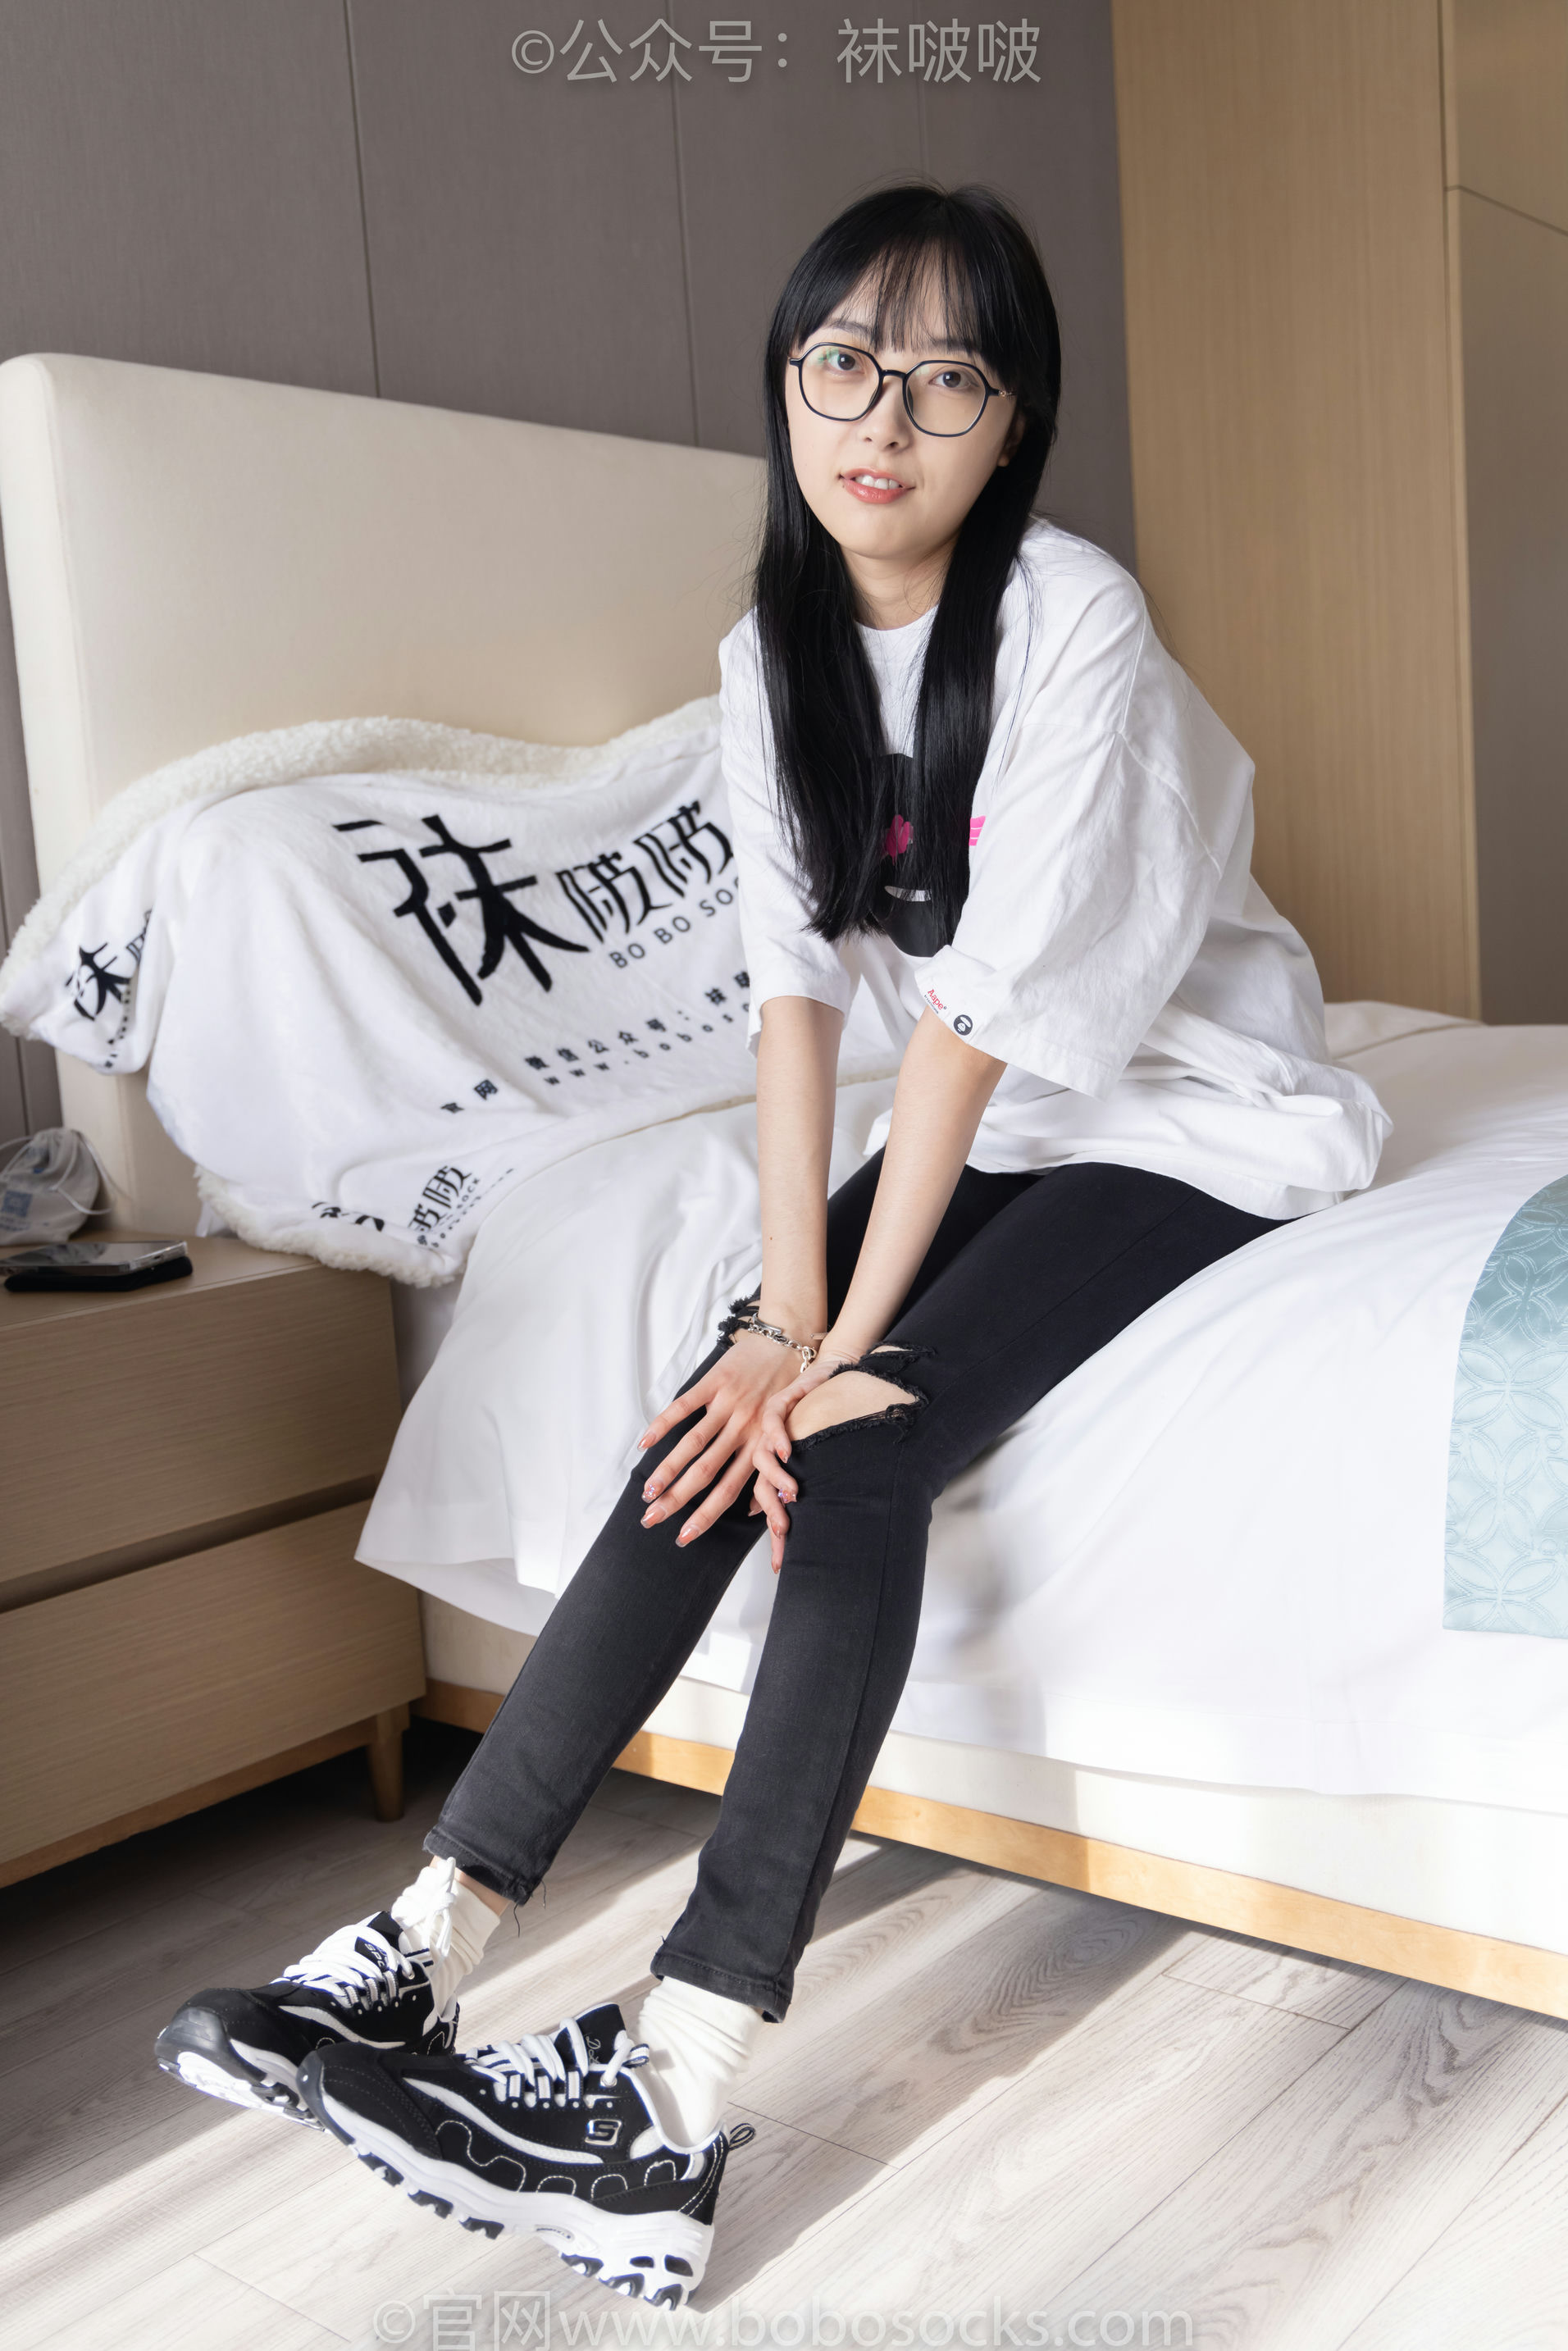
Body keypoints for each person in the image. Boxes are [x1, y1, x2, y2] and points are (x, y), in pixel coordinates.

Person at [153, 182, 1387, 2308]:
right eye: (842, 362)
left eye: (948, 377)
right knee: (718, 1408)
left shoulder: (1072, 620)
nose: (882, 417)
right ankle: (425, 1942)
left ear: (1017, 425)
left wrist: (832, 1341)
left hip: (1186, 1104)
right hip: (982, 1109)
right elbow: (796, 1000)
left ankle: (679, 2075)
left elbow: (981, 1024)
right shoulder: (768, 654)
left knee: (858, 1430)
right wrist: (770, 1311)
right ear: (788, 384)